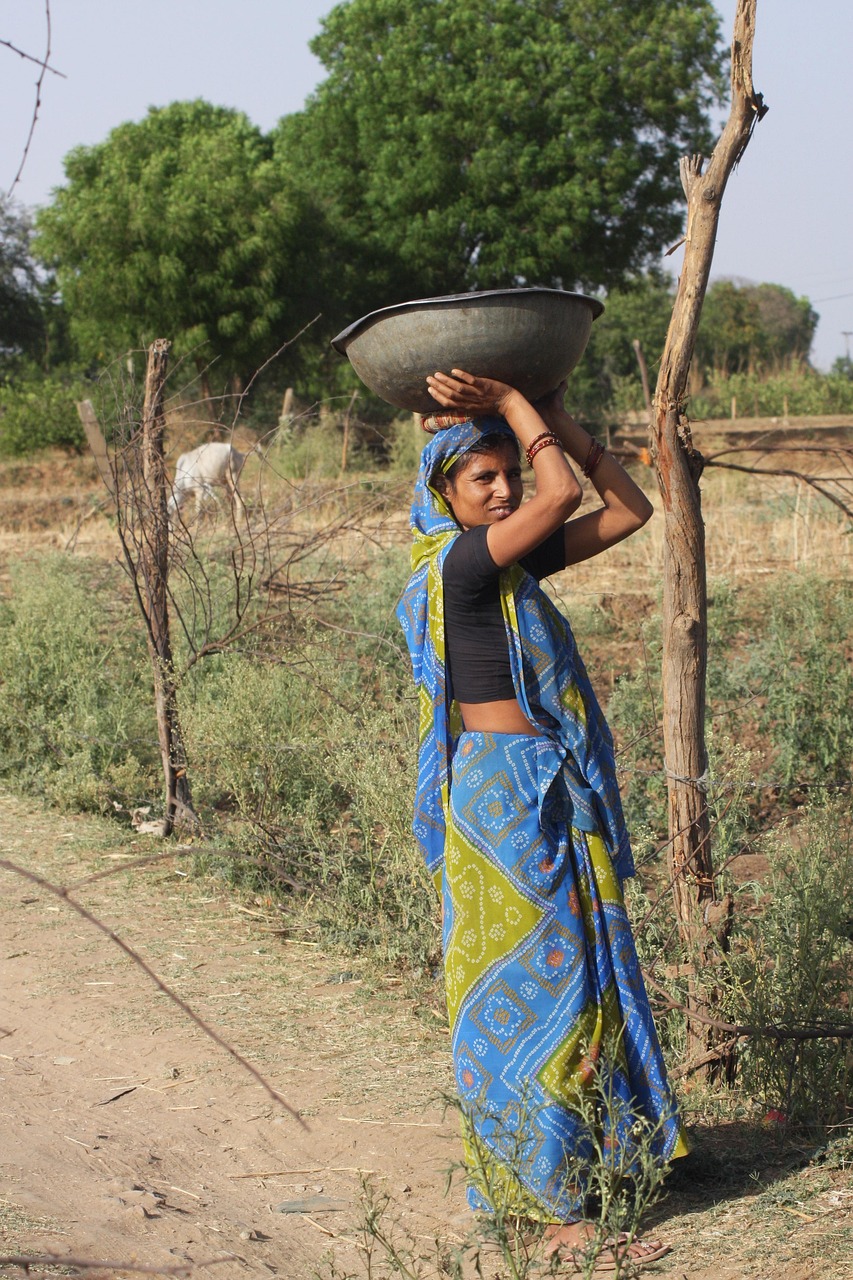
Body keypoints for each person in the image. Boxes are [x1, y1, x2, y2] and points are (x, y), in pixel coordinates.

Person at [395, 369, 687, 1267]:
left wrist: (557, 417)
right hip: (504, 798)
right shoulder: (463, 564)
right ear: (443, 491)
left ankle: (579, 1172)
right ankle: (557, 1204)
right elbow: (560, 490)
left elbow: (629, 508)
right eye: (481, 478)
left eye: (504, 475)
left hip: (535, 784)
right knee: (546, 998)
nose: (506, 488)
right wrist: (518, 401)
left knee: (575, 983)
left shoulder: (506, 561)